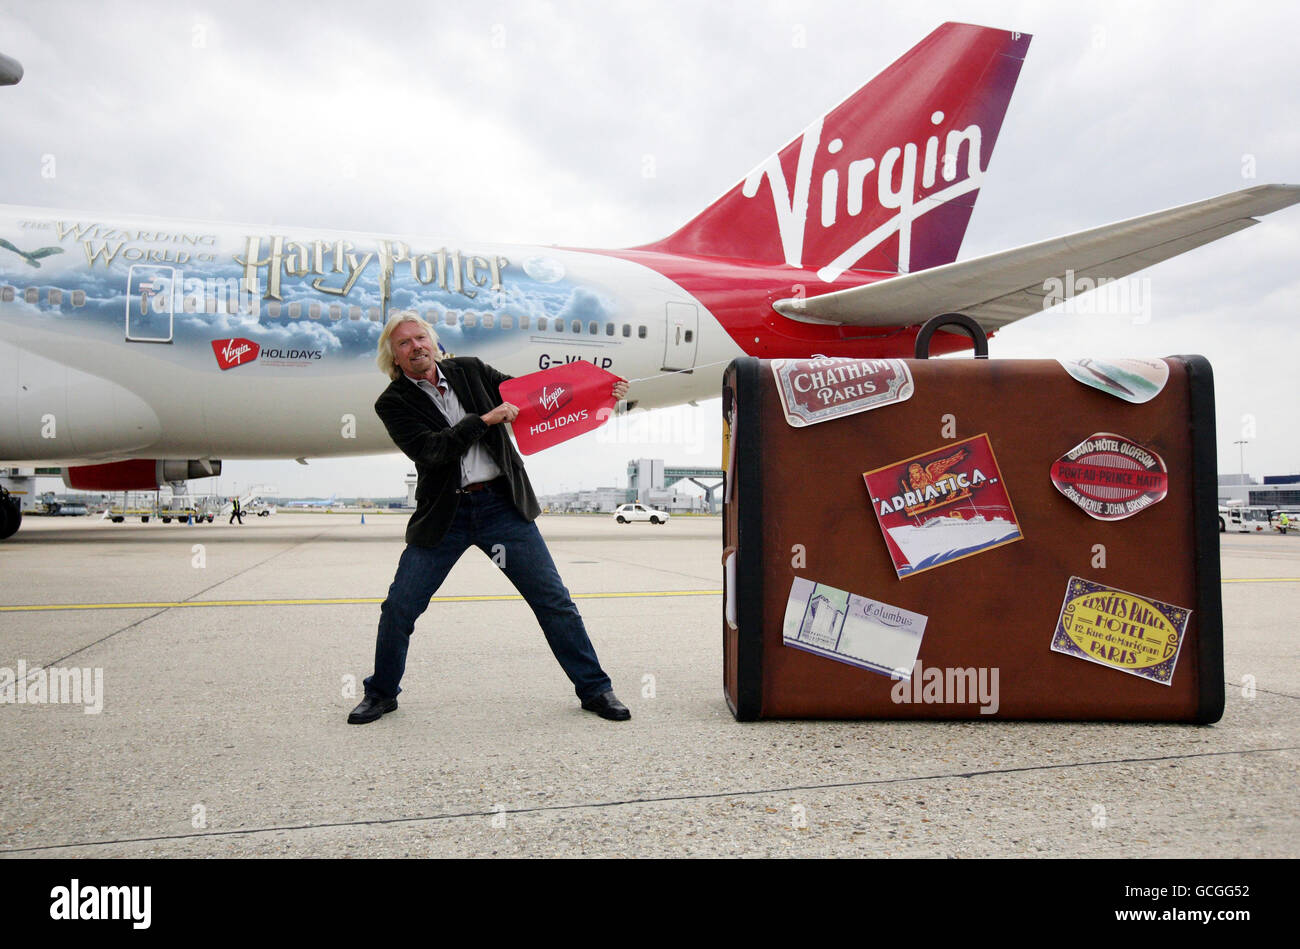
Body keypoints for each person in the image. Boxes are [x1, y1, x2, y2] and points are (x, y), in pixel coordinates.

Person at [347, 312, 632, 725]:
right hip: (445, 516)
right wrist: (483, 420)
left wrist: (601, 393)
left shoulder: (471, 371)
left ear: (433, 341)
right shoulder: (392, 403)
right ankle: (381, 694)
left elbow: (534, 397)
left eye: (420, 337)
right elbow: (432, 451)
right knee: (399, 608)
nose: (416, 347)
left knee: (554, 602)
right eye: (404, 343)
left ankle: (595, 689)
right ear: (393, 356)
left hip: (502, 506)